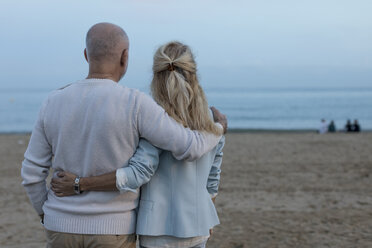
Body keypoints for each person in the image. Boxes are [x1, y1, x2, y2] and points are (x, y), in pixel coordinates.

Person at [21, 23, 227, 248]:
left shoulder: (53, 101)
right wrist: (217, 128)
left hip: (62, 226)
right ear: (125, 57)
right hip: (115, 230)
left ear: (85, 55)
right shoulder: (137, 105)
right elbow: (192, 148)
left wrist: (47, 213)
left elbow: (31, 174)